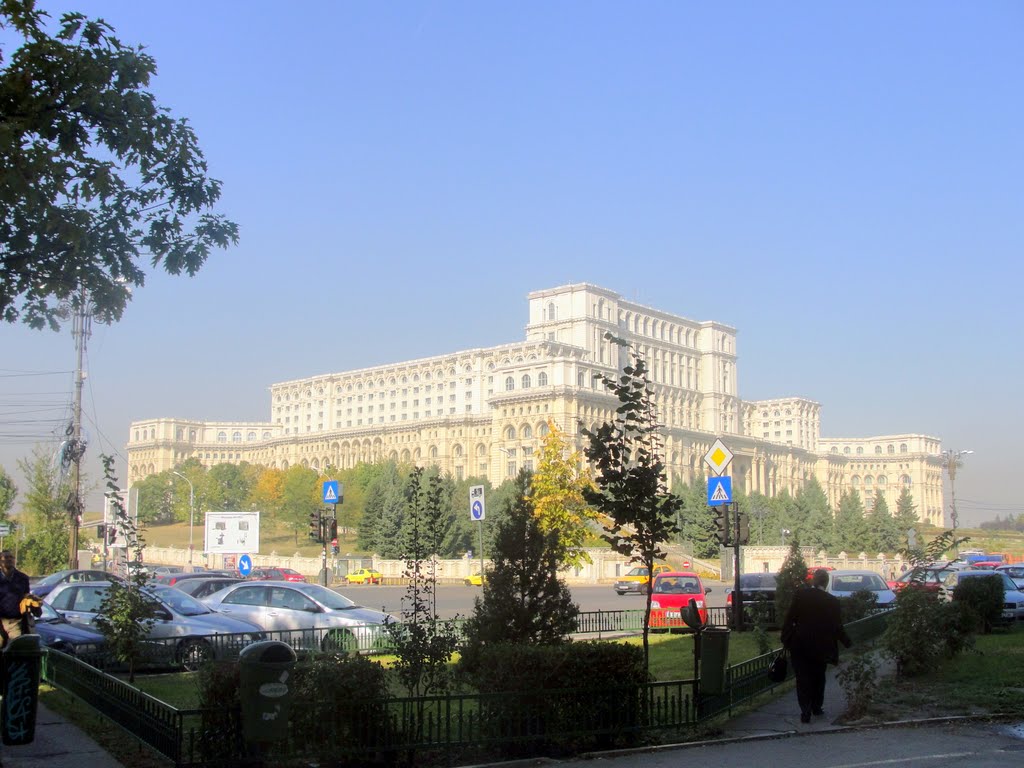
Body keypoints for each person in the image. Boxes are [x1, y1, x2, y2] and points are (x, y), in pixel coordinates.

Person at [782, 567, 852, 723]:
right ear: (826, 583)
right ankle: (816, 707)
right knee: (819, 676)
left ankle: (805, 710)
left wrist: (786, 639)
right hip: (822, 645)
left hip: (800, 644)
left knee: (802, 677)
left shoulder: (801, 596)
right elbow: (837, 626)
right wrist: (847, 642)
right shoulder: (832, 602)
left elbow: (789, 618)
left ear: (813, 581)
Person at [0, 549, 31, 646]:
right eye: (6, 557)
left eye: (11, 557)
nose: (9, 559)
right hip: (0, 621)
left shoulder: (23, 578)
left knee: (16, 649)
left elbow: (27, 597)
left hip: (15, 622)